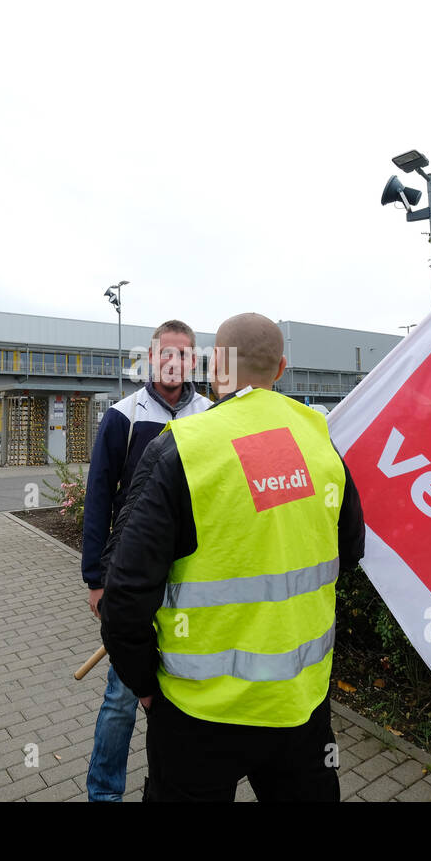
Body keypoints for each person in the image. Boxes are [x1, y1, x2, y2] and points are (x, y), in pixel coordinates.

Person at [100, 312, 365, 801]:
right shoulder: (320, 440)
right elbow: (348, 553)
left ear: (217, 366)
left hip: (198, 715)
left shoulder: (182, 448)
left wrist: (144, 685)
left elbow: (124, 595)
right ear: (281, 368)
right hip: (300, 706)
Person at [82, 319, 212, 801]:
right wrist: (96, 581)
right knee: (121, 698)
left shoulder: (210, 415)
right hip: (134, 580)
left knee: (181, 694)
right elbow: (98, 499)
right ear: (151, 358)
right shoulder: (123, 416)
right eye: (166, 353)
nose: (174, 362)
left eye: (184, 353)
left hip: (193, 579)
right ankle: (105, 794)